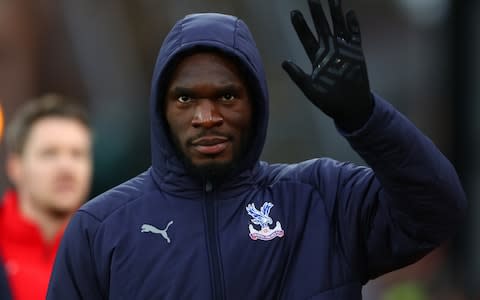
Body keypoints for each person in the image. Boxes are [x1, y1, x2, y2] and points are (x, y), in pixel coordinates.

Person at [47, 0, 466, 299]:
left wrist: (366, 117)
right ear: (161, 108)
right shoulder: (99, 230)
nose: (206, 115)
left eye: (227, 97)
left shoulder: (321, 197)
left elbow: (437, 209)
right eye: (186, 99)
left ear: (257, 104)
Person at [0, 94, 92, 300]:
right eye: (49, 153)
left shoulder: (111, 248)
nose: (66, 168)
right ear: (15, 166)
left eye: (77, 154)